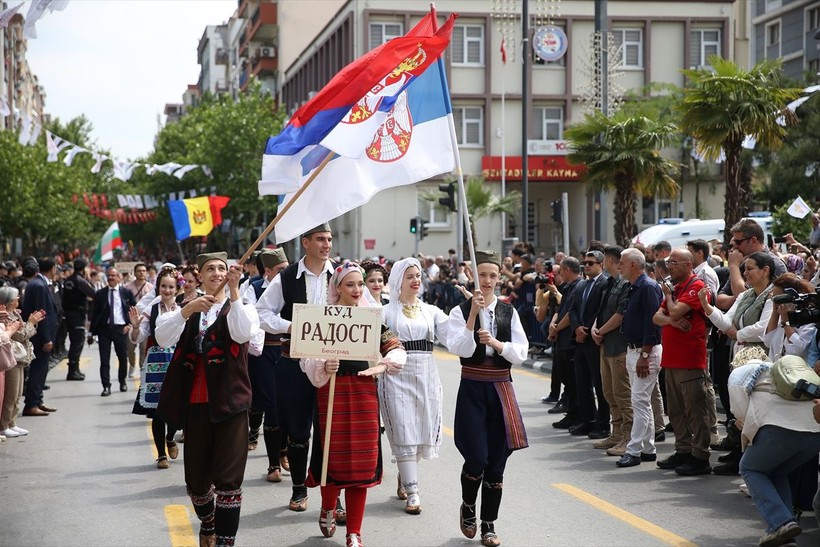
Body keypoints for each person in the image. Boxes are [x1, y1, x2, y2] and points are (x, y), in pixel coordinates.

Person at [155, 252, 260, 547]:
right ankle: (208, 520)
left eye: (222, 269)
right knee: (198, 484)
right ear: (199, 276)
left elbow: (243, 333)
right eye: (210, 269)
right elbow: (162, 337)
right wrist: (187, 311)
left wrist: (236, 291)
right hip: (196, 403)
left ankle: (226, 542)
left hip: (231, 403)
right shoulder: (187, 309)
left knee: (229, 483)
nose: (216, 273)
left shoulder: (242, 306)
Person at [301, 262, 406, 547]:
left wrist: (383, 366)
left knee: (361, 463)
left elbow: (395, 346)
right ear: (337, 288)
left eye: (360, 284)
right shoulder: (323, 318)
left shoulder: (371, 320)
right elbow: (306, 359)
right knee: (331, 460)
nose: (357, 290)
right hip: (332, 394)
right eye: (350, 285)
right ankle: (328, 506)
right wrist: (325, 363)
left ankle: (354, 533)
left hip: (363, 393)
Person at [256, 223, 341, 515]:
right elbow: (261, 313)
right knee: (298, 431)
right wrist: (293, 326)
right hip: (294, 361)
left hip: (333, 364)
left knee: (331, 432)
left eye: (329, 239)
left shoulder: (341, 275)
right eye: (320, 239)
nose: (326, 244)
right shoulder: (287, 276)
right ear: (305, 242)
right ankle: (299, 489)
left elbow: (361, 311)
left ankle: (334, 497)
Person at [447, 250, 528, 547]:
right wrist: (471, 316)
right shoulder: (459, 310)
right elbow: (458, 348)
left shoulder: (509, 312)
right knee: (476, 457)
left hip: (501, 388)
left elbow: (521, 352)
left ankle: (489, 523)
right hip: (472, 388)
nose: (488, 280)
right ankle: (468, 506)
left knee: (497, 462)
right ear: (473, 277)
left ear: (500, 278)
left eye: (493, 275)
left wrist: (495, 343)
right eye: (482, 275)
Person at [379, 257, 450, 514]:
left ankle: (404, 472)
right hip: (396, 374)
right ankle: (413, 491)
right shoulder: (385, 311)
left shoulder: (431, 311)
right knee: (403, 428)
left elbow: (454, 335)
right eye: (410, 276)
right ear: (399, 281)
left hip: (426, 374)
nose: (416, 280)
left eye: (418, 275)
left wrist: (473, 311)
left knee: (421, 431)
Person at [729, 359, 820, 547]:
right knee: (776, 472)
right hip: (815, 432)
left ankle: (781, 523)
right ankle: (786, 532)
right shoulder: (781, 371)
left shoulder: (739, 374)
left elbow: (739, 412)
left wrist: (744, 425)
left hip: (779, 429)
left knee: (750, 468)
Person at [700, 252, 776, 475]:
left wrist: (738, 333)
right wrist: (708, 307)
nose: (745, 273)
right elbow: (726, 320)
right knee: (740, 413)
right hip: (740, 359)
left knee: (755, 413)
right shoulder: (745, 296)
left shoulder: (772, 296)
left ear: (765, 270)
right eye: (744, 269)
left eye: (750, 268)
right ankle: (743, 457)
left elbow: (764, 328)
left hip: (760, 363)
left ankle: (752, 462)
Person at [652, 249, 713, 476]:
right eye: (668, 262)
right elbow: (657, 317)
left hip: (690, 359)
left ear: (688, 264)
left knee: (696, 409)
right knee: (676, 410)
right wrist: (671, 320)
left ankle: (700, 455)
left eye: (674, 262)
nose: (669, 266)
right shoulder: (676, 288)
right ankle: (683, 448)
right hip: (672, 359)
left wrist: (668, 300)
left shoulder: (695, 286)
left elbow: (676, 310)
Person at [242, 248, 289, 482]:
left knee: (288, 406)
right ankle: (273, 464)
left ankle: (283, 450)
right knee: (270, 405)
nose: (285, 273)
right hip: (265, 352)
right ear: (268, 271)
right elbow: (251, 315)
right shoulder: (254, 288)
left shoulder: (293, 285)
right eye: (280, 270)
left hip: (289, 351)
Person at [615, 249, 664, 468]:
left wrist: (644, 355)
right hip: (634, 350)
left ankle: (633, 450)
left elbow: (652, 325)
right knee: (641, 402)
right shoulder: (634, 287)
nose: (619, 267)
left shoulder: (648, 287)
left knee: (639, 402)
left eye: (622, 263)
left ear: (634, 265)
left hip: (646, 352)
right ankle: (648, 448)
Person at [128, 268, 180, 469]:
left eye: (170, 287)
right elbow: (139, 336)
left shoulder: (181, 308)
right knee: (157, 411)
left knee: (175, 407)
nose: (167, 290)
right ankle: (161, 455)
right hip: (156, 363)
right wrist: (134, 326)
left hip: (176, 362)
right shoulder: (153, 308)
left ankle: (170, 437)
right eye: (163, 286)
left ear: (177, 289)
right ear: (158, 287)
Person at [590, 245, 632, 455]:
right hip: (606, 345)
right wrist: (595, 330)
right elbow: (602, 310)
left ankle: (628, 437)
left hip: (618, 345)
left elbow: (620, 314)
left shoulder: (625, 284)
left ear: (608, 261)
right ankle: (616, 433)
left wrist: (601, 331)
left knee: (622, 394)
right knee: (609, 393)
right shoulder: (609, 283)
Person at [569, 250, 609, 438]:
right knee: (582, 382)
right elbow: (573, 309)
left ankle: (602, 423)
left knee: (599, 383)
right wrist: (577, 328)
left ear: (601, 265)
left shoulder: (605, 283)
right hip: (580, 341)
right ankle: (587, 419)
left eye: (591, 263)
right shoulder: (581, 285)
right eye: (585, 262)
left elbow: (601, 310)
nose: (587, 266)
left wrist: (586, 329)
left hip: (594, 340)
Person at [0, 287, 43, 437]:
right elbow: (20, 335)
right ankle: (4, 425)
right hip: (11, 358)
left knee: (18, 393)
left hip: (19, 358)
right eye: (17, 297)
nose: (19, 299)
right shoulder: (6, 317)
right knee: (10, 394)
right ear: (11, 301)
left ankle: (12, 422)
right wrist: (31, 323)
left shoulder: (14, 314)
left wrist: (29, 322)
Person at [90, 267, 137, 396]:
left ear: (119, 278)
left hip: (120, 329)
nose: (111, 278)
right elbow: (94, 314)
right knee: (104, 360)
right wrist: (91, 333)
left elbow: (134, 309)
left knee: (122, 357)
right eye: (109, 275)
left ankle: (122, 381)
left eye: (113, 275)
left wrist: (130, 324)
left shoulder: (126, 293)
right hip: (104, 330)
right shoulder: (100, 294)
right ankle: (106, 386)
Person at [21, 257, 58, 417]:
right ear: (52, 269)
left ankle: (38, 400)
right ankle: (31, 404)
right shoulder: (39, 286)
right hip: (40, 337)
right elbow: (40, 314)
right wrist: (46, 338)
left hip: (42, 335)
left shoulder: (38, 283)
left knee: (42, 370)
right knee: (37, 369)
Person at [547, 257, 582, 425]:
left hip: (569, 339)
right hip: (561, 338)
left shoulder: (578, 286)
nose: (559, 273)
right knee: (566, 378)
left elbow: (571, 313)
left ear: (567, 270)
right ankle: (572, 412)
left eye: (561, 270)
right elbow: (560, 310)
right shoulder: (567, 287)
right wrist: (553, 326)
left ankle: (576, 414)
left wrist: (557, 328)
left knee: (574, 381)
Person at [761, 274, 817, 362]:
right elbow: (767, 341)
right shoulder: (781, 319)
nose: (776, 303)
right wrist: (775, 312)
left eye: (779, 298)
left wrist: (787, 321)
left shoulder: (808, 320)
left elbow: (798, 350)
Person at [61, 258, 96, 381]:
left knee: (74, 342)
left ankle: (75, 369)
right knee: (77, 343)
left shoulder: (68, 280)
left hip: (69, 315)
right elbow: (93, 294)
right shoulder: (80, 281)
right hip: (77, 315)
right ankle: (72, 371)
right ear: (83, 268)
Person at [124, 263, 154, 379]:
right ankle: (132, 365)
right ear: (135, 273)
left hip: (145, 321)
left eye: (143, 270)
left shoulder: (151, 288)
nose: (142, 273)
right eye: (139, 271)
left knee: (144, 348)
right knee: (130, 347)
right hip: (132, 321)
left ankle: (142, 369)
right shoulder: (127, 287)